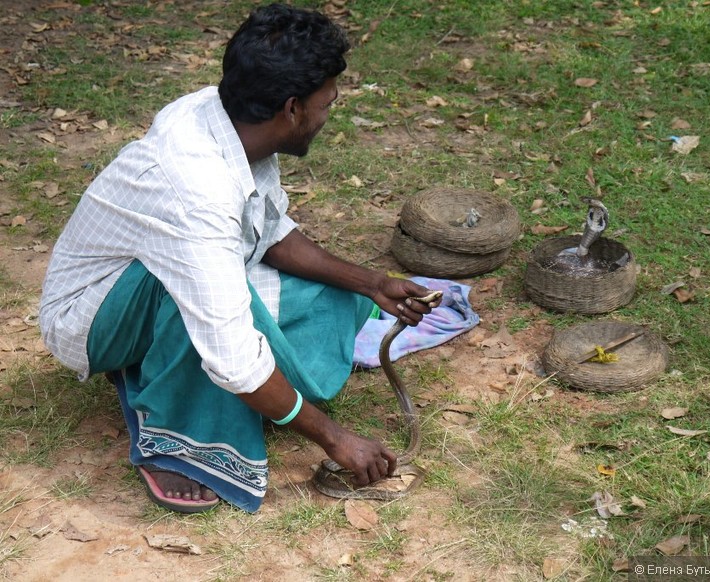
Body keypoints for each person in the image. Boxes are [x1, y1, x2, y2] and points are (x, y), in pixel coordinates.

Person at [38, 4, 440, 513]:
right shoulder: (195, 195)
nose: (328, 115)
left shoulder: (231, 117)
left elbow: (269, 234)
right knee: (211, 321)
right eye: (327, 104)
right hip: (87, 320)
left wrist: (372, 284)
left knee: (330, 298)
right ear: (292, 109)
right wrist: (335, 439)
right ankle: (176, 443)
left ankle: (158, 360)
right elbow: (233, 360)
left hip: (167, 269)